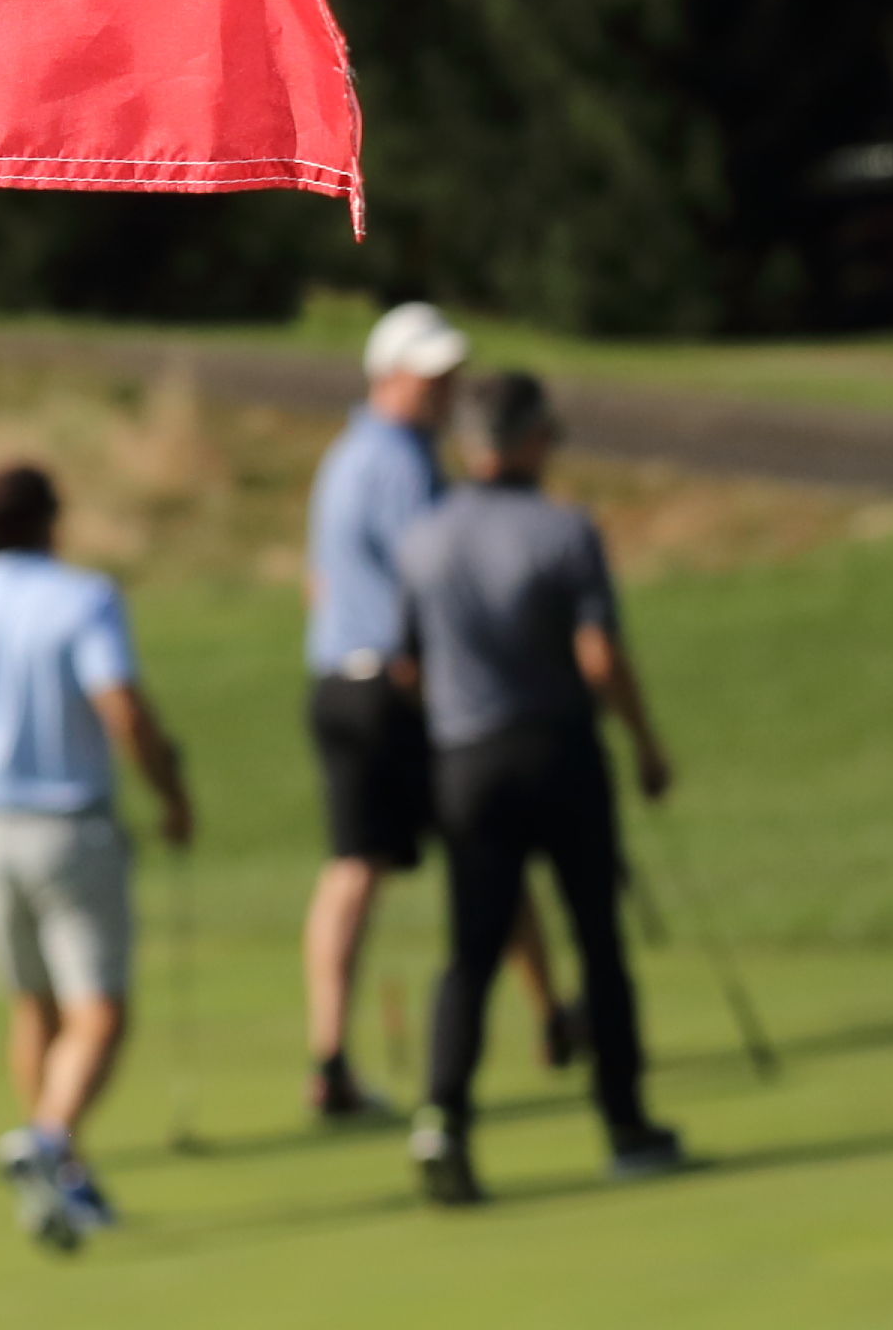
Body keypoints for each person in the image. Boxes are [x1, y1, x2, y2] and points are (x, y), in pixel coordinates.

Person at [392, 369, 685, 1202]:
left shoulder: (424, 537)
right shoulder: (564, 531)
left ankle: (443, 1116)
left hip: (465, 762)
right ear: (523, 441)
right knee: (597, 940)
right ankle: (625, 1123)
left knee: (473, 952)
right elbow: (600, 657)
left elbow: (406, 665)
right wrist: (647, 743)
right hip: (557, 750)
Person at [0, 463, 196, 1250]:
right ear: (49, 521)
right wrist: (168, 792)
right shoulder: (84, 599)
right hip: (69, 827)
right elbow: (121, 707)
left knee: (36, 1006)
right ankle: (52, 1140)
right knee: (100, 1012)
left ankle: (59, 1179)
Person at [300, 300, 566, 1115]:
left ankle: (330, 1056)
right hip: (396, 686)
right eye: (433, 376)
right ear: (391, 377)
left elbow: (318, 581)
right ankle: (553, 1015)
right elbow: (440, 575)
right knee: (489, 842)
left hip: (333, 681)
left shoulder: (343, 457)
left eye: (451, 376)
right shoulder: (403, 463)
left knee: (355, 867)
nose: (447, 390)